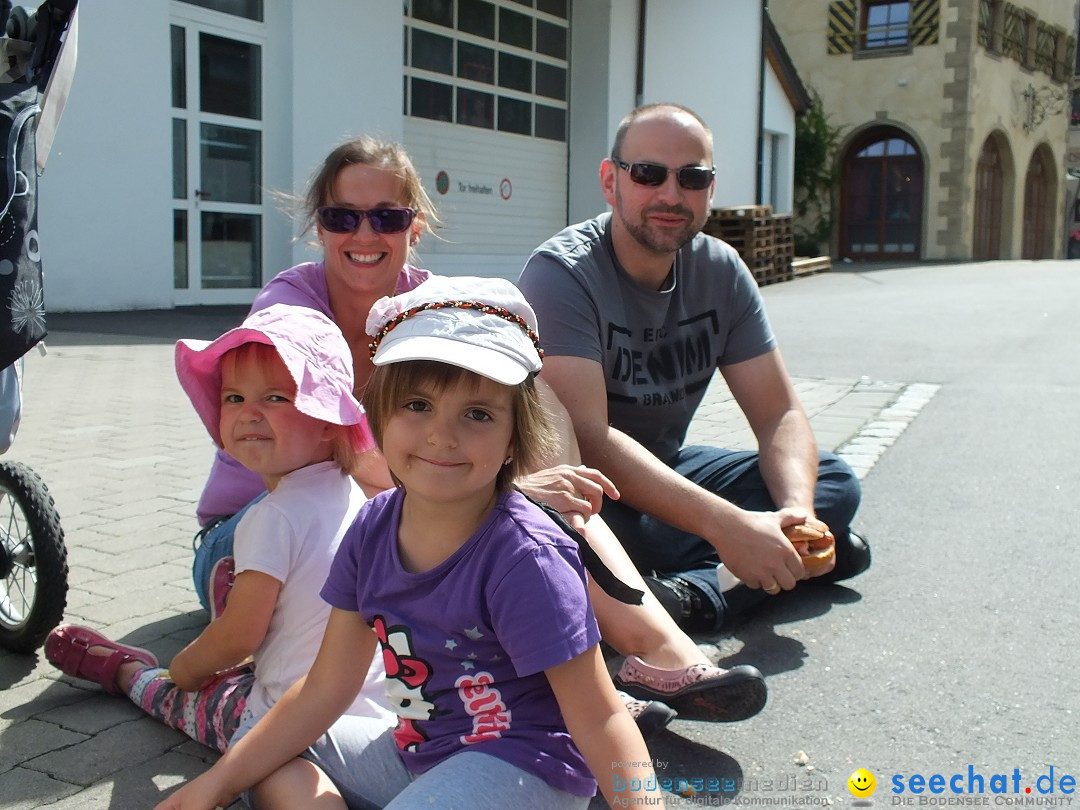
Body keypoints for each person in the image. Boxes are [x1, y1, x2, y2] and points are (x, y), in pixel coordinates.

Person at [189, 135, 767, 725]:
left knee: (516, 383)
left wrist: (543, 491)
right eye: (343, 217)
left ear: (415, 227)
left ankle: (653, 652)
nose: (364, 235)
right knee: (459, 514)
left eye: (386, 217)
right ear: (320, 227)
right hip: (261, 532)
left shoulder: (428, 303)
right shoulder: (289, 309)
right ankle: (560, 686)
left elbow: (519, 400)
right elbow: (346, 449)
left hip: (378, 511)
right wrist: (500, 493)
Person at [154, 278, 663, 810]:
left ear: (515, 436)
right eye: (418, 405)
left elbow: (601, 716)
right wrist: (217, 784)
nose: (442, 436)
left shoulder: (525, 558)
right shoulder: (372, 528)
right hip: (417, 754)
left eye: (478, 414)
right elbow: (324, 689)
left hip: (524, 766)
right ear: (378, 416)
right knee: (269, 759)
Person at [517, 102, 870, 634]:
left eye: (692, 177)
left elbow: (778, 413)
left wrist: (797, 514)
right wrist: (723, 524)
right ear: (611, 180)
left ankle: (699, 588)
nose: (670, 194)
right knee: (578, 533)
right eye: (648, 174)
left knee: (834, 482)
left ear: (710, 188)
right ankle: (726, 581)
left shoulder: (721, 271)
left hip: (669, 472)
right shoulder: (562, 274)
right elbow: (588, 439)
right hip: (594, 490)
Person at [44, 305, 393, 797]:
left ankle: (129, 673)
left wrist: (186, 669)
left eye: (276, 397)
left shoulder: (271, 518)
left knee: (190, 702)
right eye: (234, 397)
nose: (250, 412)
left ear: (327, 422)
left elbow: (238, 636)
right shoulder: (352, 494)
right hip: (372, 718)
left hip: (282, 717)